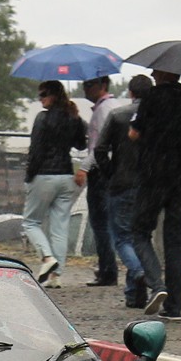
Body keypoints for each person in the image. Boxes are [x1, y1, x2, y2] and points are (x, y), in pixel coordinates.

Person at [128, 70, 181, 318]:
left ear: (160, 74)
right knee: (174, 241)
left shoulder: (150, 97)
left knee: (139, 231)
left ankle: (156, 284)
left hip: (152, 175)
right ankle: (175, 307)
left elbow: (134, 133)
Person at [94, 73, 151, 308]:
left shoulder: (117, 115)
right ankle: (134, 295)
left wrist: (110, 173)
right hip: (147, 185)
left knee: (122, 238)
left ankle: (138, 271)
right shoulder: (156, 119)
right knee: (141, 236)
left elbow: (100, 150)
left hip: (121, 184)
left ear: (130, 92)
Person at [21, 81, 85, 286]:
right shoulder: (73, 117)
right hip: (67, 176)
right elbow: (81, 143)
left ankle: (47, 258)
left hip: (44, 174)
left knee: (31, 222)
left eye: (43, 94)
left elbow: (36, 150)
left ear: (54, 95)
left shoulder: (43, 118)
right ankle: (56, 276)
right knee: (60, 226)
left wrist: (29, 175)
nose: (40, 98)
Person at [76, 75, 120, 286]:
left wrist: (84, 167)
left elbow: (101, 144)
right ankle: (106, 267)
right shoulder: (105, 108)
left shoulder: (104, 109)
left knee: (100, 223)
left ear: (103, 86)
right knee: (103, 223)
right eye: (85, 85)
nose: (86, 89)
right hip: (105, 169)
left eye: (90, 85)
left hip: (100, 170)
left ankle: (108, 270)